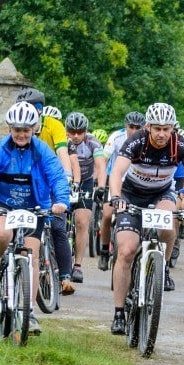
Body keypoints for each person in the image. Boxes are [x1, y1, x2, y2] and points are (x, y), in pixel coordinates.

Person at [0, 102, 70, 335]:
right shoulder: (0, 149)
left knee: (32, 256)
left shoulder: (42, 150)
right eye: (17, 129)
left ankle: (30, 312)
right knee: (2, 234)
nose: (22, 134)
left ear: (34, 128)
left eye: (26, 129)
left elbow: (56, 176)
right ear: (9, 129)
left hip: (33, 206)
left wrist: (61, 201)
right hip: (1, 203)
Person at [107, 103, 184, 334]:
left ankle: (164, 267)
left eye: (166, 129)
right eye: (157, 128)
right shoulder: (136, 141)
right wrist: (117, 197)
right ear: (148, 126)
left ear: (172, 128)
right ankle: (119, 312)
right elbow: (117, 172)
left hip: (162, 193)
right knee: (127, 250)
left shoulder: (180, 144)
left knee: (169, 222)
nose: (161, 134)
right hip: (131, 194)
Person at [16, 87, 79, 294]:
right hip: (25, 182)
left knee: (58, 228)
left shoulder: (53, 125)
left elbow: (62, 151)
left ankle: (65, 277)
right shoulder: (17, 127)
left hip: (51, 180)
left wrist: (68, 177)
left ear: (40, 110)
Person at [97, 111, 145, 271]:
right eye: (131, 127)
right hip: (116, 180)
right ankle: (104, 250)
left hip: (136, 184)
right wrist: (100, 183)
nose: (134, 130)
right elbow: (103, 159)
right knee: (107, 214)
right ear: (126, 126)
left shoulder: (146, 139)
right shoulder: (116, 138)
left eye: (138, 127)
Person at [65, 111, 107, 283]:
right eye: (72, 131)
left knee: (82, 222)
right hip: (65, 181)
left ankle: (77, 265)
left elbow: (101, 166)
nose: (76, 135)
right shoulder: (62, 140)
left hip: (86, 183)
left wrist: (102, 187)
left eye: (80, 132)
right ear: (66, 130)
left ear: (86, 131)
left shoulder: (93, 143)